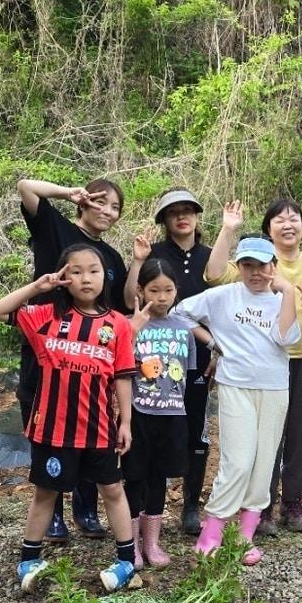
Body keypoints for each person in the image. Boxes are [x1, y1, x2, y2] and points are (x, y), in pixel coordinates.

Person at [0, 243, 141, 593]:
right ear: (62, 276)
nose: (85, 278)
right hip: (52, 429)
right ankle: (29, 559)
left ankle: (127, 561)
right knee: (46, 492)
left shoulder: (117, 325)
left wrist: (127, 423)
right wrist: (37, 287)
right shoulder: (44, 316)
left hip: (99, 428)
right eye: (75, 271)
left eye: (94, 270)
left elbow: (122, 377)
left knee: (113, 490)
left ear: (106, 277)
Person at [204, 200, 302, 535]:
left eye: (295, 218)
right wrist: (228, 228)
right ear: (268, 229)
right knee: (265, 438)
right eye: (280, 219)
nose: (288, 223)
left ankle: (292, 502)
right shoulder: (254, 265)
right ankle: (259, 507)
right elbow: (214, 273)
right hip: (260, 364)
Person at [176, 235, 302, 565]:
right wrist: (214, 342)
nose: (255, 272)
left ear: (273, 266)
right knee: (238, 461)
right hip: (236, 385)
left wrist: (288, 291)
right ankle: (212, 531)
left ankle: (245, 537)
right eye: (247, 265)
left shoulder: (282, 298)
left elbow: (285, 339)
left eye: (261, 265)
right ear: (239, 266)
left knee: (263, 464)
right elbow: (180, 313)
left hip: (274, 389)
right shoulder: (224, 296)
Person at [17, 177, 130, 542]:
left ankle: (86, 508)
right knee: (47, 426)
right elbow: (25, 187)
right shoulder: (56, 226)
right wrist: (68, 193)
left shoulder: (110, 259)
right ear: (85, 202)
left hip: (88, 354)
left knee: (87, 428)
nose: (107, 212)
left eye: (115, 207)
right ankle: (52, 514)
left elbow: (122, 307)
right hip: (45, 344)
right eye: (101, 202)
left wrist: (140, 261)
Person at [126, 188, 217, 536]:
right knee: (148, 432)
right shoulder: (153, 255)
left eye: (188, 210)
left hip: (194, 356)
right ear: (164, 219)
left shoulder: (210, 258)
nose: (182, 217)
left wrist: (218, 350)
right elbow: (129, 298)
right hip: (148, 356)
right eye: (173, 211)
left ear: (196, 215)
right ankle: (140, 519)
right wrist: (138, 260)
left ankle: (190, 505)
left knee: (195, 429)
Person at [123, 258, 213, 570]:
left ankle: (151, 542)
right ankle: (129, 544)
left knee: (159, 477)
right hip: (138, 413)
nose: (161, 297)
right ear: (140, 290)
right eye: (154, 290)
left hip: (172, 415)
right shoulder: (129, 324)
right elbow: (117, 368)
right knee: (133, 478)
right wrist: (131, 333)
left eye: (168, 290)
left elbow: (185, 378)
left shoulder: (184, 330)